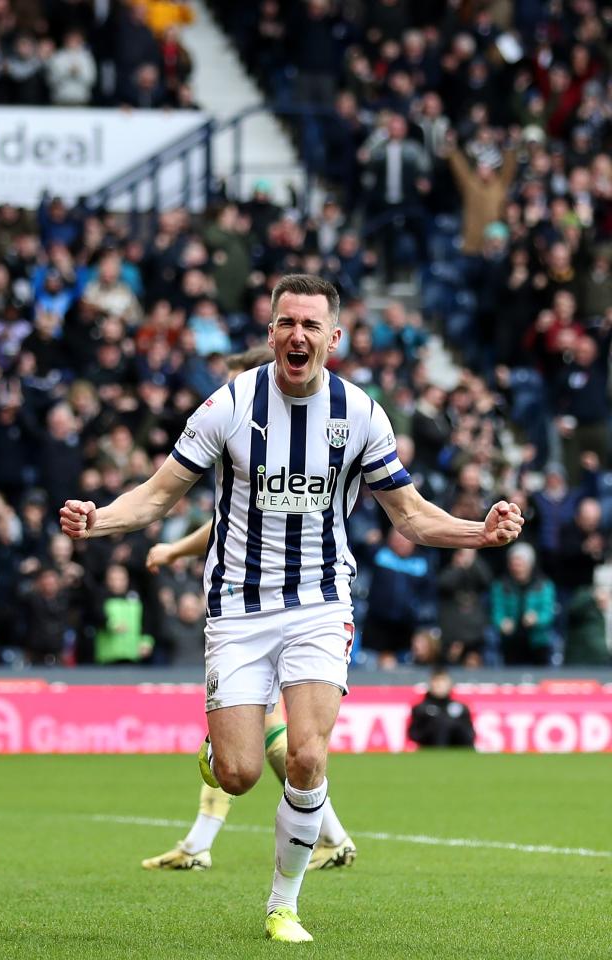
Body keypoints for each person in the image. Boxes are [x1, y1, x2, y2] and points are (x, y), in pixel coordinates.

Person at [60, 274, 523, 944]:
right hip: (239, 610)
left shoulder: (360, 412)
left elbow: (412, 517)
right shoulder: (228, 404)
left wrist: (479, 531)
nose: (296, 335)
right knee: (240, 773)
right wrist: (97, 519)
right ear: (271, 332)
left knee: (307, 755)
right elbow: (159, 496)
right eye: (285, 323)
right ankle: (220, 753)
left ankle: (283, 905)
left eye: (310, 324)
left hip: (319, 602)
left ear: (334, 338)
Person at [141, 346, 355, 874]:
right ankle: (329, 835)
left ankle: (205, 844)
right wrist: (171, 549)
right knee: (257, 746)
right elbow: (225, 523)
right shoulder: (235, 426)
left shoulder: (312, 427)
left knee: (275, 741)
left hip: (306, 603)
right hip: (244, 608)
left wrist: (170, 549)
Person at [407, 669, 476, 748]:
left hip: (458, 750)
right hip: (431, 750)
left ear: (450, 684)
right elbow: (414, 735)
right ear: (430, 684)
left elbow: (470, 735)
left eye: (442, 681)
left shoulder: (461, 708)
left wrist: (452, 725)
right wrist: (434, 726)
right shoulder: (421, 708)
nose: (439, 685)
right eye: (436, 681)